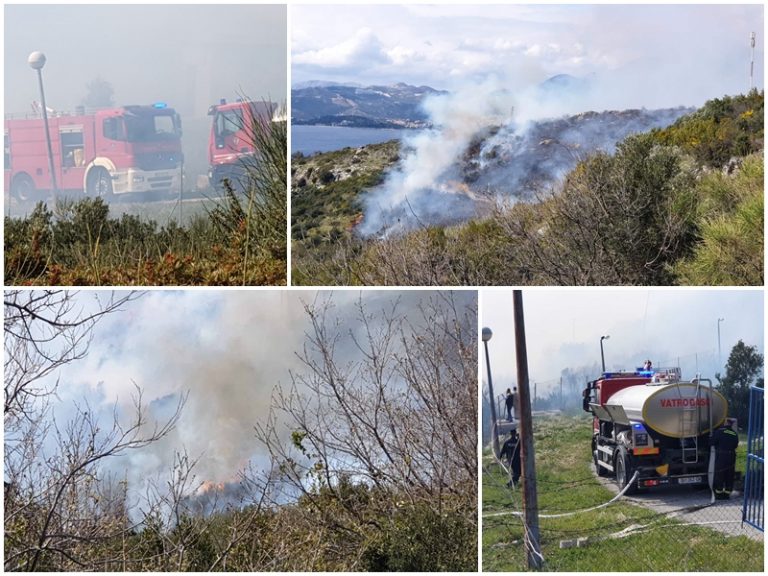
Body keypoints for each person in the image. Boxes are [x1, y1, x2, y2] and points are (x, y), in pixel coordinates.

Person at [711, 420, 739, 500]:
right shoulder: (734, 433)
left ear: (725, 423)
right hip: (731, 456)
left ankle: (719, 494)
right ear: (731, 425)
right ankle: (727, 494)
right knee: (729, 474)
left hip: (721, 456)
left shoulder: (719, 432)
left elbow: (712, 442)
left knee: (719, 474)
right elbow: (735, 445)